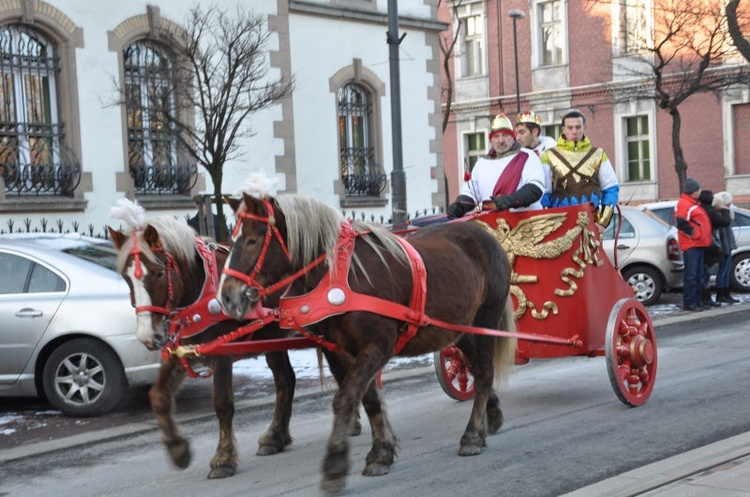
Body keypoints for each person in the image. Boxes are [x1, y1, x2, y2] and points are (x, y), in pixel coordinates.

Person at [447, 113, 547, 218]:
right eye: (496, 136)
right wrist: (459, 206)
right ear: (491, 140)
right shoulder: (481, 164)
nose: (501, 140)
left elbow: (535, 187)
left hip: (525, 221)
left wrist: (511, 200)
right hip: (490, 223)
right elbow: (471, 193)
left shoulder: (527, 156)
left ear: (513, 137)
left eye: (505, 135)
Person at [541, 109, 620, 230]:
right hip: (559, 224)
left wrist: (603, 221)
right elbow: (544, 193)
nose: (574, 132)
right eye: (570, 128)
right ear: (563, 129)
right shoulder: (549, 156)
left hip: (591, 222)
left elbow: (611, 188)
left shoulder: (598, 155)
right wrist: (546, 223)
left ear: (584, 128)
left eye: (578, 127)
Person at [674, 178, 712, 312]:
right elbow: (681, 223)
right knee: (692, 275)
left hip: (697, 244)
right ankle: (690, 302)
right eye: (698, 189)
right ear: (693, 191)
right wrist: (695, 234)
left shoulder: (692, 203)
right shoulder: (685, 204)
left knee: (697, 275)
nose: (700, 191)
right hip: (692, 244)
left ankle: (697, 301)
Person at [712, 191, 739, 304]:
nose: (730, 204)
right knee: (722, 271)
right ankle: (721, 293)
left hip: (727, 246)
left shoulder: (725, 213)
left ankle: (725, 292)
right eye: (728, 202)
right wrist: (724, 248)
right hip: (724, 247)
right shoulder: (720, 215)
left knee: (726, 270)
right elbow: (721, 234)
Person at [697, 190, 723, 307]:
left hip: (702, 244)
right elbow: (723, 222)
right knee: (706, 273)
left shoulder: (699, 209)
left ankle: (704, 298)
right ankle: (706, 298)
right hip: (709, 245)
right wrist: (723, 210)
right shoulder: (710, 211)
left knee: (703, 273)